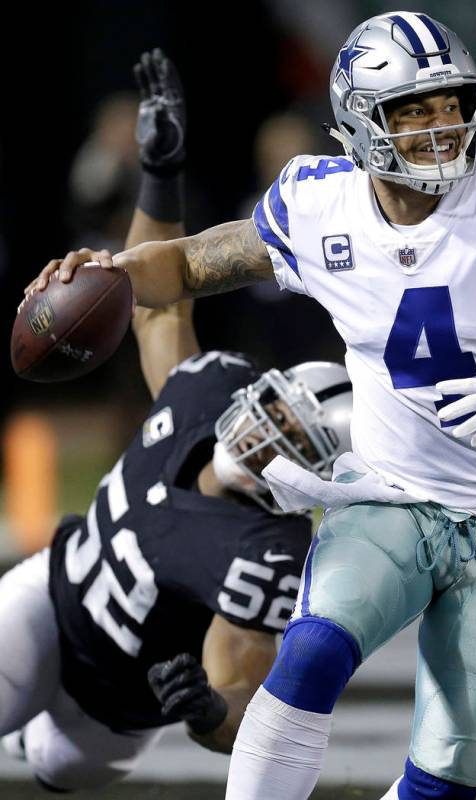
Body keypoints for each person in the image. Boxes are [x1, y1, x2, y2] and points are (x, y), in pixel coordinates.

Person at [28, 12, 476, 799]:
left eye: (449, 103)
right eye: (412, 110)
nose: (440, 125)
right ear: (360, 121)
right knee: (309, 655)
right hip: (388, 494)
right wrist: (107, 272)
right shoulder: (321, 206)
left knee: (450, 770)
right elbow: (191, 265)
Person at [3, 49, 351, 793]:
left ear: (310, 482)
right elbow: (158, 308)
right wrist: (161, 174)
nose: (269, 438)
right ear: (264, 392)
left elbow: (243, 692)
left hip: (116, 710)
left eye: (296, 445)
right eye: (279, 414)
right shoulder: (206, 389)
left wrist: (208, 712)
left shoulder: (268, 553)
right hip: (48, 606)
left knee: (57, 768)